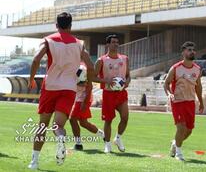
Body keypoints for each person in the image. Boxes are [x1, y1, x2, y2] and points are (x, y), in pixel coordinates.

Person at [27, 12, 94, 170]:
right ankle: (61, 138)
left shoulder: (49, 40)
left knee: (42, 125)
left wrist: (31, 79)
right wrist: (89, 84)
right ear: (71, 26)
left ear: (56, 25)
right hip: (69, 89)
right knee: (58, 125)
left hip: (50, 86)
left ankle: (34, 162)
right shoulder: (79, 44)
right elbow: (90, 66)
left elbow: (36, 59)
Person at [164, 41, 204, 161]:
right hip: (178, 101)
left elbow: (198, 86)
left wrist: (201, 102)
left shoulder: (197, 69)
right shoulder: (176, 68)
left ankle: (175, 143)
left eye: (193, 50)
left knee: (189, 130)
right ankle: (178, 153)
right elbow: (166, 84)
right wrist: (170, 94)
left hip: (190, 102)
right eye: (189, 50)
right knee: (181, 128)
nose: (192, 51)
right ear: (183, 52)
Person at [94, 34, 131, 153]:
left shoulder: (125, 59)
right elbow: (92, 77)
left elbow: (128, 75)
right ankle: (107, 144)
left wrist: (127, 82)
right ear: (108, 44)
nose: (116, 44)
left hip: (121, 93)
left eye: (117, 42)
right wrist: (106, 81)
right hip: (108, 94)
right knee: (108, 120)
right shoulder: (101, 60)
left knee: (125, 118)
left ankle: (118, 138)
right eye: (113, 42)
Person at [69, 64, 104, 151]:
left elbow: (88, 85)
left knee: (72, 119)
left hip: (82, 99)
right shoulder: (73, 66)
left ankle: (78, 144)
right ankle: (103, 134)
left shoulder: (82, 68)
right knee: (83, 123)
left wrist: (85, 101)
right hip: (78, 98)